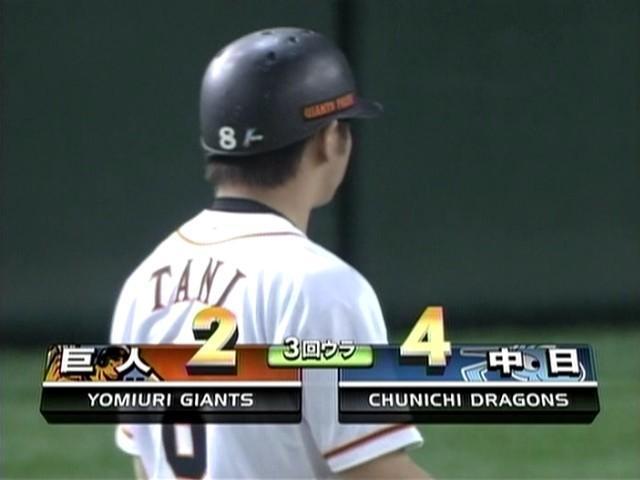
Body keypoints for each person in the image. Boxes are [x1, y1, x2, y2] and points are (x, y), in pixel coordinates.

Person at [110, 27, 429, 479]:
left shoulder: (144, 282)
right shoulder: (322, 289)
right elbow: (374, 472)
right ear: (330, 139)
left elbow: (146, 465)